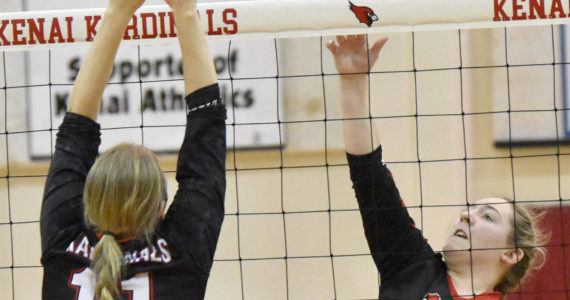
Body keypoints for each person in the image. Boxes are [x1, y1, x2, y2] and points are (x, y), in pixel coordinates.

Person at [326, 35, 546, 300]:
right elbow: (369, 176)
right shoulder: (411, 266)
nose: (466, 215)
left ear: (511, 253)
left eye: (488, 217)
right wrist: (352, 79)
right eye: (471, 209)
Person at [40, 0, 225, 299]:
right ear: (161, 209)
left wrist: (117, 11)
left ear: (87, 201)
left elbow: (76, 126)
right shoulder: (182, 250)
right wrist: (185, 11)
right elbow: (207, 130)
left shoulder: (64, 240)